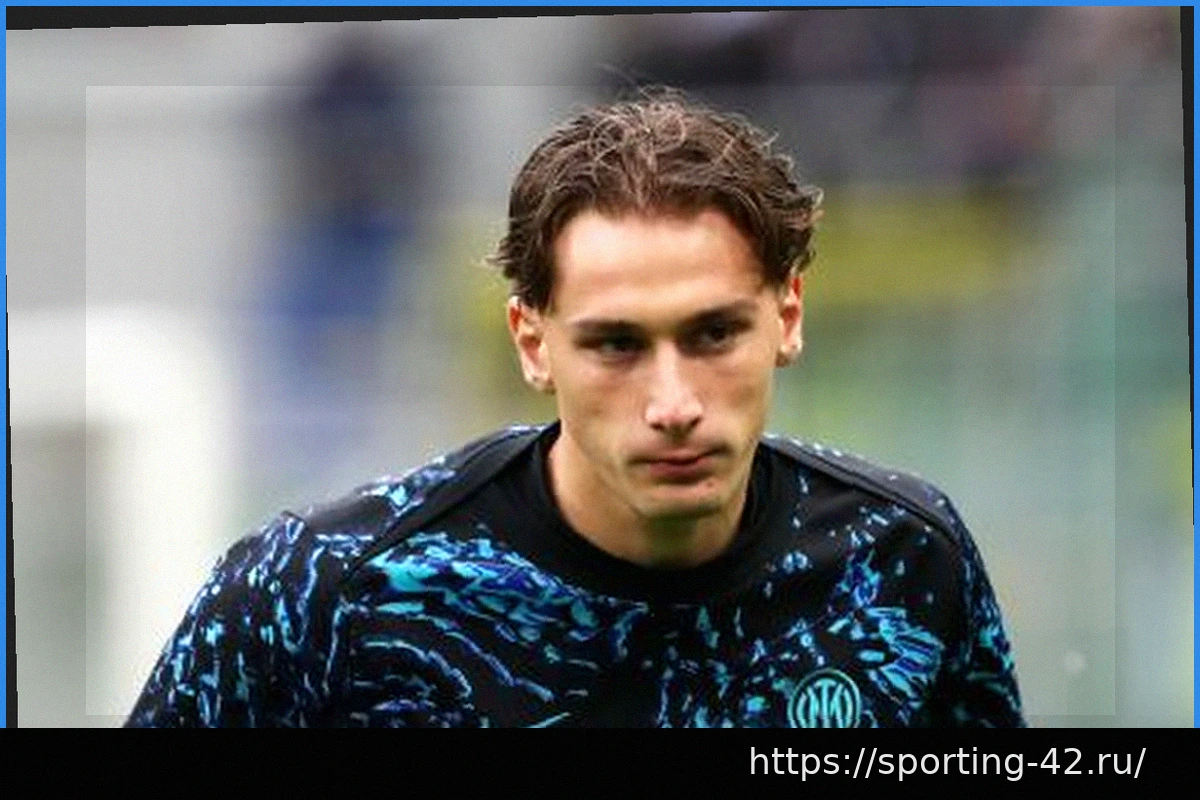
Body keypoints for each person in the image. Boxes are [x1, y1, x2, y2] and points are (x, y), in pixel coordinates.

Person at [126, 90, 1024, 728]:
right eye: (616, 345)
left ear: (787, 317)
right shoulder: (320, 591)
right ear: (532, 342)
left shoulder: (903, 563)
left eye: (714, 334)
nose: (673, 403)